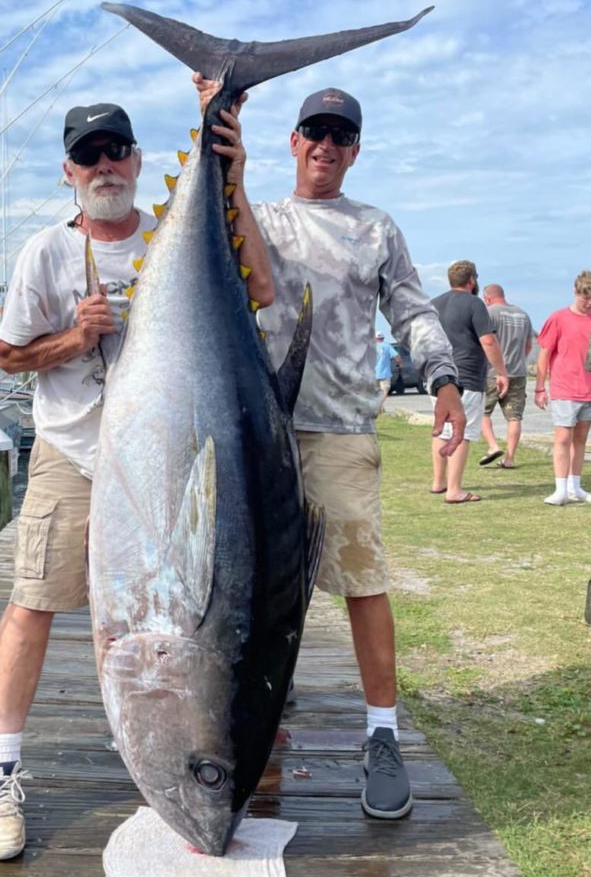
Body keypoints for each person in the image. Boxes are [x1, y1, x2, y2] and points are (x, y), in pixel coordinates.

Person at [0, 101, 275, 861]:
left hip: (169, 473)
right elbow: (7, 355)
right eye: (88, 155)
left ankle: (243, 733)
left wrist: (223, 143)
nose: (104, 166)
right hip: (74, 458)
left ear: (138, 162)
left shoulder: (176, 238)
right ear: (69, 172)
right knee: (32, 603)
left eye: (116, 151)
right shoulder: (45, 251)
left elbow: (262, 293)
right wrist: (77, 336)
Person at [194, 75, 465, 821]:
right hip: (257, 431)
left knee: (361, 579)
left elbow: (410, 308)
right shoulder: (264, 215)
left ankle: (381, 735)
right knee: (249, 590)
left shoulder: (375, 227)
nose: (325, 145)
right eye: (314, 131)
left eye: (340, 135)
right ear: (293, 142)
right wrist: (218, 132)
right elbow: (251, 279)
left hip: (340, 427)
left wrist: (442, 377)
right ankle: (252, 715)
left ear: (354, 149)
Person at [430, 262, 508, 502]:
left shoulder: (434, 304)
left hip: (437, 376)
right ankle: (454, 490)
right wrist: (501, 371)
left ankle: (439, 481)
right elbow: (488, 341)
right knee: (462, 432)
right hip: (467, 376)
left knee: (442, 429)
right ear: (472, 280)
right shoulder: (475, 304)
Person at [534, 270, 591, 505]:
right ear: (575, 292)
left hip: (590, 390)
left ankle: (575, 487)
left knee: (580, 439)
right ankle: (560, 489)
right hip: (564, 389)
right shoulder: (558, 318)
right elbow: (545, 353)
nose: (589, 303)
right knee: (562, 438)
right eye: (585, 297)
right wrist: (540, 387)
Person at [478, 284, 534, 469]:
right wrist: (519, 361)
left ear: (487, 298)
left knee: (482, 412)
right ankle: (509, 458)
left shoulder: (489, 313)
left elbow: (486, 342)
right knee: (514, 416)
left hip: (492, 372)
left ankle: (493, 446)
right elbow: (528, 345)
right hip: (518, 372)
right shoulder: (523, 314)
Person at [374, 331, 402, 412]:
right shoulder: (387, 346)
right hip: (384, 373)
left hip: (373, 373)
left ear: (375, 339)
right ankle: (378, 405)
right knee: (385, 391)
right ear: (383, 338)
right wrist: (400, 364)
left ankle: (380, 409)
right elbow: (397, 357)